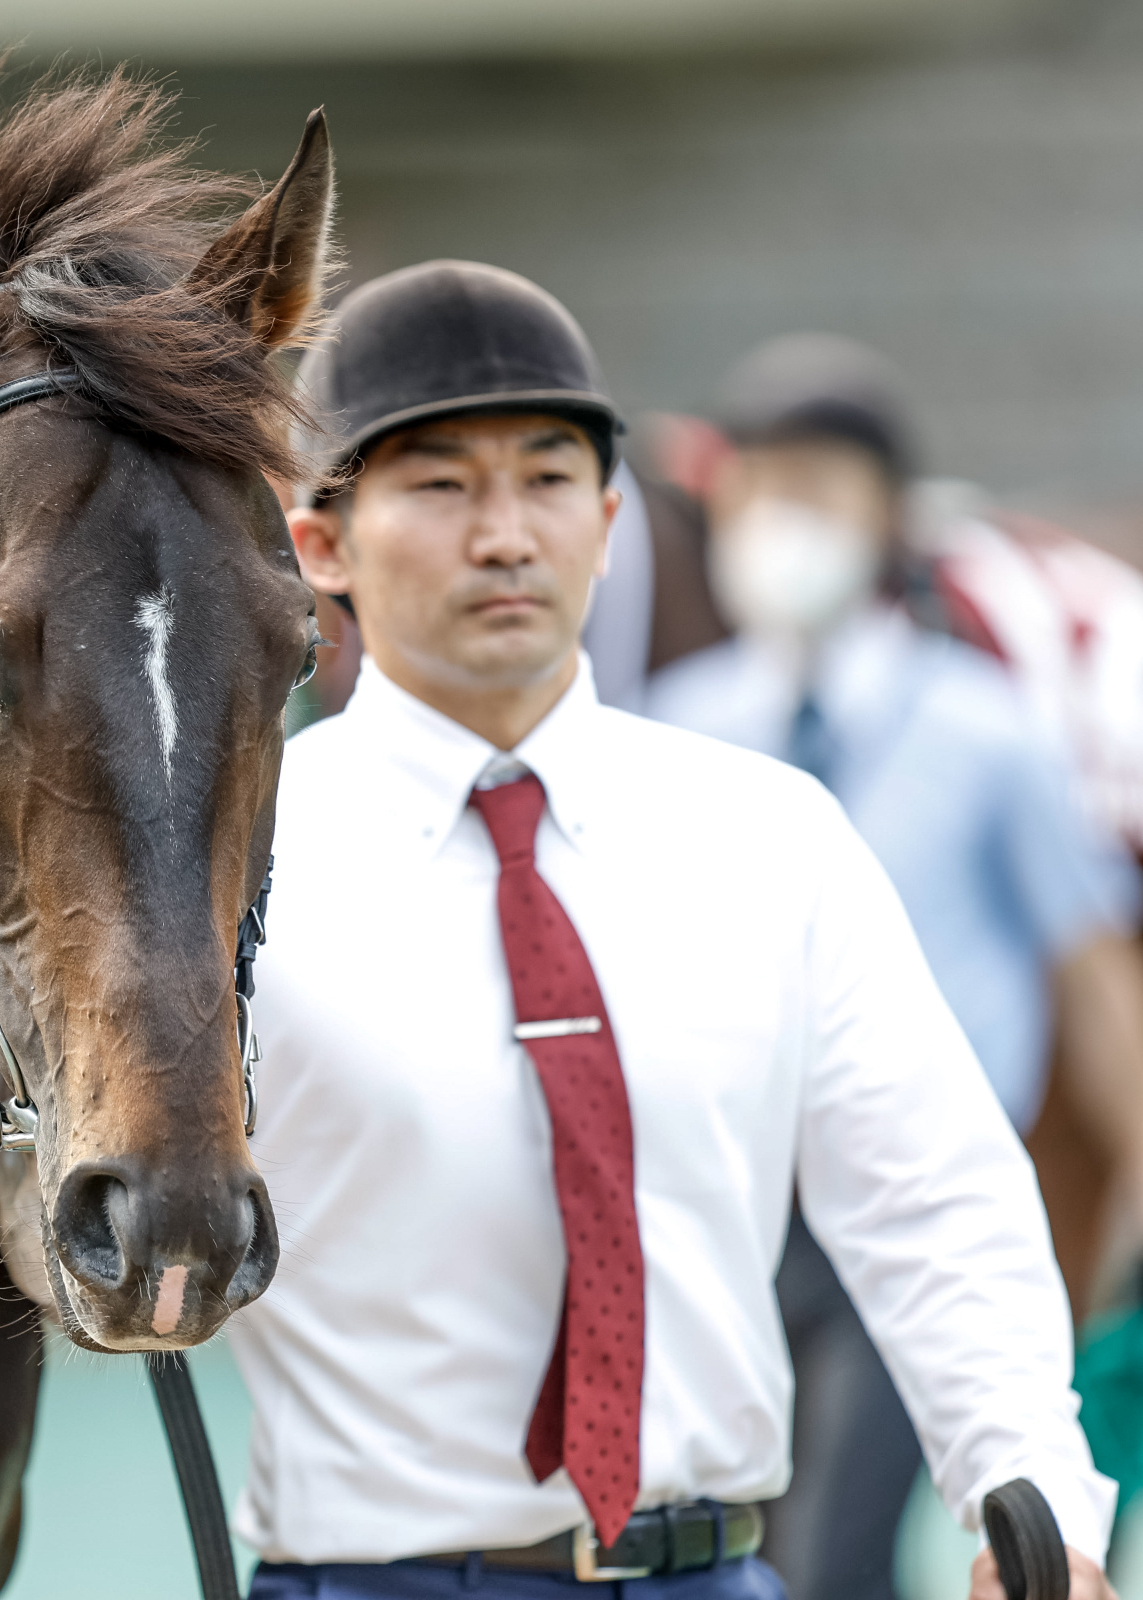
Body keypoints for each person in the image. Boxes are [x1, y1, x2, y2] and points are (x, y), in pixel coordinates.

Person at [229, 259, 1116, 1599]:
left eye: (546, 479)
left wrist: (1029, 1495)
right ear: (320, 546)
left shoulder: (770, 833)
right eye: (441, 486)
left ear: (606, 518)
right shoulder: (239, 864)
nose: (505, 535)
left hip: (717, 1571)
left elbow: (932, 1196)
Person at [646, 334, 1143, 1599]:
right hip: (734, 1203)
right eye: (761, 484)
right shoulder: (677, 724)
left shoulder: (988, 728)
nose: (785, 516)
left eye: (821, 485)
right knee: (738, 1540)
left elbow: (1089, 967)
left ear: (887, 515)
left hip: (916, 1193)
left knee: (835, 1550)